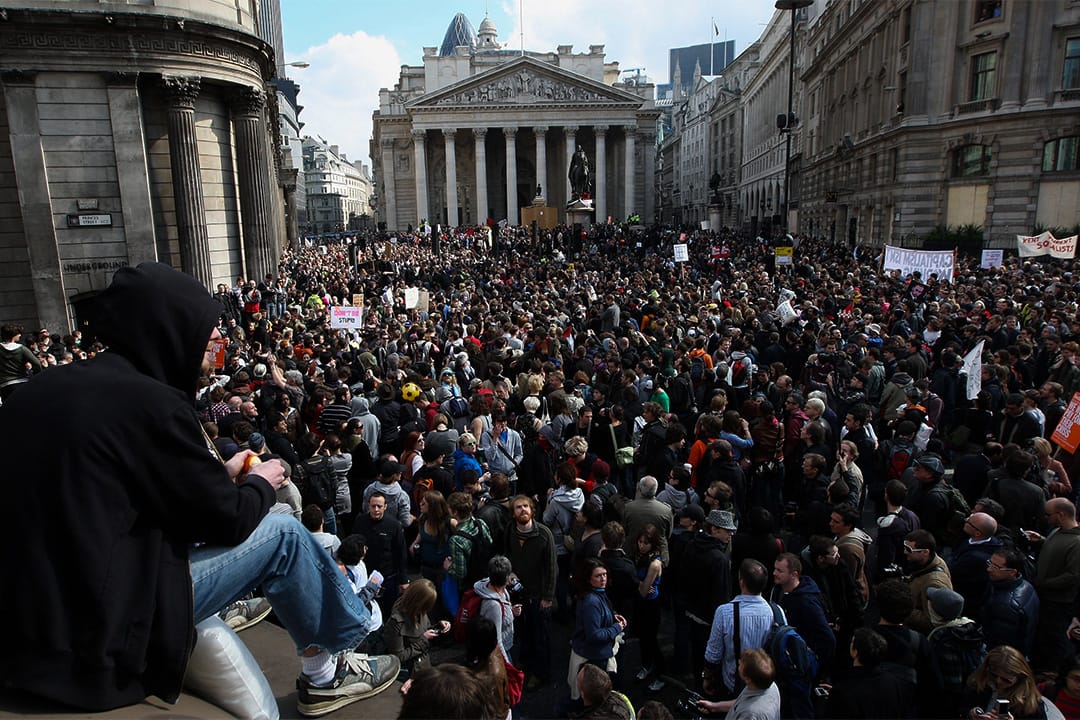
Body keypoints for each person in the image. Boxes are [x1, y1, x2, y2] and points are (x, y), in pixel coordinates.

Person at [0, 262, 398, 717]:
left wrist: (216, 476)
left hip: (28, 617)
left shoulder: (45, 386)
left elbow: (106, 496)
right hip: (102, 620)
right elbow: (227, 520)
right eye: (202, 332)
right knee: (283, 532)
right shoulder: (152, 403)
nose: (212, 344)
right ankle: (328, 673)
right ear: (167, 331)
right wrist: (259, 482)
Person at [704, 559, 785, 699]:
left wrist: (707, 677)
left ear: (741, 582)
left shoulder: (725, 612)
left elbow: (713, 654)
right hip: (766, 686)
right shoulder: (777, 612)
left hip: (732, 684)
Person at [503, 495, 556, 690]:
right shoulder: (510, 530)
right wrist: (509, 572)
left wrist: (548, 597)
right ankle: (524, 663)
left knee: (540, 635)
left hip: (538, 594)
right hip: (518, 592)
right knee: (523, 631)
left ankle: (541, 674)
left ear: (532, 510)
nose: (523, 510)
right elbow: (506, 552)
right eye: (518, 507)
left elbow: (551, 567)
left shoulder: (544, 534)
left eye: (526, 506)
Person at [1025, 498, 1080, 673]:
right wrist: (1041, 540)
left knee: (1056, 641)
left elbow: (1073, 576)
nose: (1045, 518)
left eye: (1049, 514)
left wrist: (1043, 584)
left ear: (1061, 515)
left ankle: (1054, 673)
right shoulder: (1057, 531)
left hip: (1059, 603)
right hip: (1046, 598)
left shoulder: (1077, 542)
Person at [568, 558, 627, 701]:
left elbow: (601, 614)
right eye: (598, 576)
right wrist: (616, 627)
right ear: (589, 579)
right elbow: (594, 635)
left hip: (595, 655)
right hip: (593, 659)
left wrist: (612, 617)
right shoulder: (591, 602)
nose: (603, 579)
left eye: (605, 574)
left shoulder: (598, 593)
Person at [823, 628, 905, 719]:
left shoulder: (843, 690)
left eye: (852, 642)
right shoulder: (894, 682)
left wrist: (836, 696)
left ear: (855, 652)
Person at [968, 645, 1066, 720]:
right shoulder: (977, 686)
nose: (998, 681)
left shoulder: (1030, 704)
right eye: (993, 675)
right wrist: (971, 714)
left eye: (1006, 680)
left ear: (1020, 678)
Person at [982, 546, 1040, 660]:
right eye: (990, 563)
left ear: (1013, 572)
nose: (989, 569)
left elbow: (1000, 645)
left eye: (996, 567)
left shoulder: (1006, 606)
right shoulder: (1026, 585)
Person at [384, 578, 449, 679]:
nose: (426, 610)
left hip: (424, 666)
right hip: (409, 674)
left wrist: (438, 626)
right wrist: (424, 640)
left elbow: (423, 629)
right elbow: (397, 656)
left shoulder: (419, 611)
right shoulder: (396, 622)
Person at [696, 648, 781, 720]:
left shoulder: (750, 714)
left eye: (740, 664)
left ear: (748, 679)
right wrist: (714, 707)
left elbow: (745, 708)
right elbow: (740, 702)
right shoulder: (766, 685)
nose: (738, 662)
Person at [631, 524, 667, 691]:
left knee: (652, 640)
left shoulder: (654, 564)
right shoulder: (640, 556)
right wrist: (641, 584)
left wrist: (638, 584)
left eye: (646, 543)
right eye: (640, 542)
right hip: (641, 604)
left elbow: (645, 591)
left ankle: (661, 675)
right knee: (643, 638)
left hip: (651, 605)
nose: (641, 545)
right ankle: (647, 665)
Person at [472, 554, 520, 663]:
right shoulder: (493, 606)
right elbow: (497, 641)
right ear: (506, 579)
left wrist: (511, 611)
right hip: (500, 653)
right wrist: (507, 665)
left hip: (507, 645)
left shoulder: (492, 584)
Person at [0, 322, 43, 402]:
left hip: (5, 385)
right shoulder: (22, 349)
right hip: (21, 383)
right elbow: (37, 363)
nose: (20, 335)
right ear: (14, 335)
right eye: (19, 333)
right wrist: (36, 376)